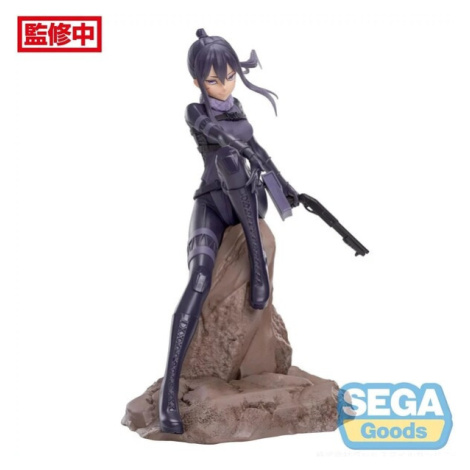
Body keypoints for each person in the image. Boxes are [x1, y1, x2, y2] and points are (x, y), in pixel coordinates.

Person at [158, 28, 298, 434]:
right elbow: (218, 136)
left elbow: (261, 153)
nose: (223, 86)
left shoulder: (240, 111)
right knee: (199, 278)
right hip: (212, 204)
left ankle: (257, 262)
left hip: (247, 203)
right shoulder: (195, 111)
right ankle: (169, 392)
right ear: (198, 82)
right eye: (213, 80)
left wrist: (285, 184)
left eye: (230, 76)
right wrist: (244, 151)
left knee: (236, 166)